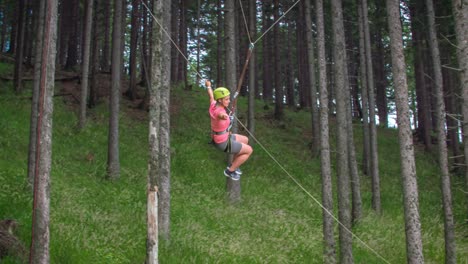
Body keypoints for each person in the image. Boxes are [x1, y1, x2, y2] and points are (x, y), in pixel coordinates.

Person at [205, 80, 253, 181]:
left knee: (245, 140)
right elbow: (220, 115)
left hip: (222, 136)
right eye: (226, 99)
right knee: (249, 150)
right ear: (220, 100)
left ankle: (234, 165)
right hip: (222, 142)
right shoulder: (219, 112)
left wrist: (208, 86)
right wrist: (226, 116)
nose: (229, 101)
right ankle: (230, 171)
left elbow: (211, 96)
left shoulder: (213, 104)